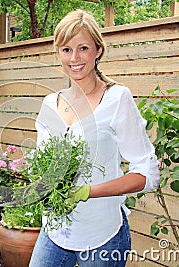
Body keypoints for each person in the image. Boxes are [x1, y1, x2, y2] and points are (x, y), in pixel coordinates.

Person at [29, 9, 160, 267]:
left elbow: (148, 174)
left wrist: (89, 191)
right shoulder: (50, 104)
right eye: (66, 50)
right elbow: (41, 168)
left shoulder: (117, 99)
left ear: (98, 50)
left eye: (83, 48)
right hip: (55, 230)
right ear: (58, 53)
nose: (74, 58)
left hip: (102, 235)